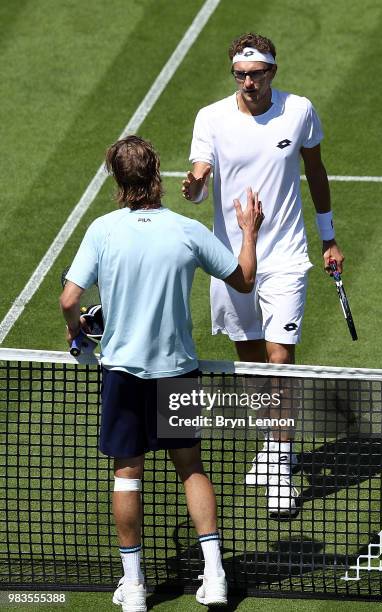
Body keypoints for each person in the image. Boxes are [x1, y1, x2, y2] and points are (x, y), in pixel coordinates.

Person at [60, 135, 263, 611]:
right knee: (191, 468)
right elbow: (245, 279)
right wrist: (248, 230)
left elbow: (70, 300)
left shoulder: (103, 230)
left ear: (117, 179)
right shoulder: (186, 231)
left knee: (127, 475)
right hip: (177, 373)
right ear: (156, 177)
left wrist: (78, 334)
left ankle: (133, 587)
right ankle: (215, 578)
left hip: (123, 376)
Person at [182, 32, 344, 516]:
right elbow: (195, 184)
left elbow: (315, 170)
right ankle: (276, 444)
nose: (248, 82)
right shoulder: (210, 118)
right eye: (240, 75)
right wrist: (194, 186)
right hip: (231, 262)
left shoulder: (299, 111)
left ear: (272, 71)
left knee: (279, 359)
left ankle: (277, 464)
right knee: (251, 360)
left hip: (287, 257)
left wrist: (329, 236)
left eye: (256, 74)